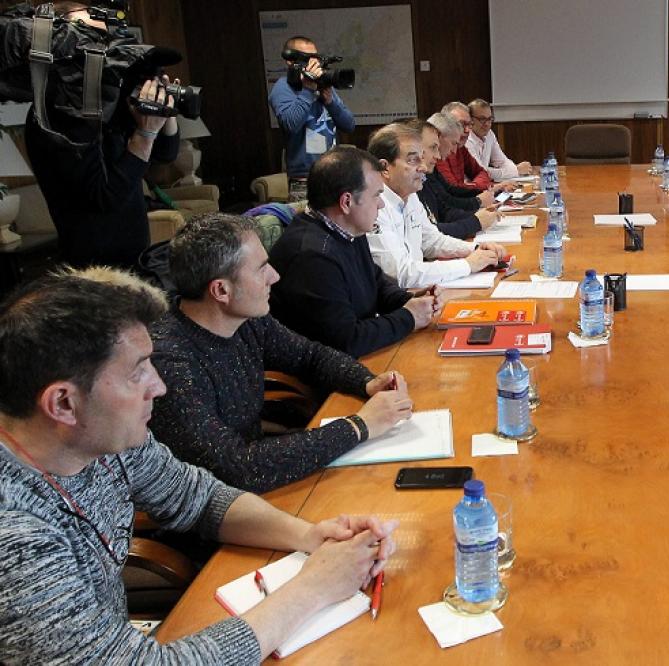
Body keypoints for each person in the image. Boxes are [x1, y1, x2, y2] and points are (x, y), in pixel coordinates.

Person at [0, 267, 396, 663]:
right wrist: (314, 588)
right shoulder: (16, 538)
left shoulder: (101, 438)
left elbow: (198, 496)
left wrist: (311, 536)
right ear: (63, 403)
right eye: (138, 372)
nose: (159, 386)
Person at [149, 214, 415, 493]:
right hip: (225, 499)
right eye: (261, 269)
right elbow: (236, 468)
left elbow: (309, 356)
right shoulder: (170, 363)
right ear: (221, 290)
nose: (274, 276)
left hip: (254, 481)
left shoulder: (245, 319)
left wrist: (366, 381)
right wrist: (359, 426)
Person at [22, 3, 180, 269]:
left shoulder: (101, 104)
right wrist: (145, 132)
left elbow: (165, 154)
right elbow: (105, 196)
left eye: (103, 40)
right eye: (88, 42)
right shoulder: (56, 111)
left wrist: (164, 108)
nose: (101, 52)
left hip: (134, 260)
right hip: (93, 272)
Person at [269, 145, 439, 357]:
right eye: (376, 195)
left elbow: (376, 284)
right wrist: (409, 317)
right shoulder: (312, 257)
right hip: (324, 369)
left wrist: (409, 300)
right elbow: (347, 340)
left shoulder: (348, 229)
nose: (381, 205)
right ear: (347, 202)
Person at [367, 121, 505, 287]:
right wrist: (467, 265)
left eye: (421, 159)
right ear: (385, 168)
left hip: (417, 293)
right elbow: (401, 274)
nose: (423, 167)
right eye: (413, 160)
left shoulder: (410, 196)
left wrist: (475, 249)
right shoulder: (373, 207)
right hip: (401, 296)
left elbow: (432, 240)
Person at [268, 35, 355, 201]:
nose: (313, 63)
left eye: (315, 57)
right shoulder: (283, 87)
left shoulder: (323, 85)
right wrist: (308, 89)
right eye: (307, 58)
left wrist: (330, 102)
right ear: (290, 61)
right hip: (305, 181)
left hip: (334, 175)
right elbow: (290, 124)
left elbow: (349, 125)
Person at [419, 115, 496, 239]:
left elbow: (444, 210)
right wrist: (475, 218)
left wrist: (479, 216)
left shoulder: (425, 175)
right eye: (433, 147)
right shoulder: (427, 170)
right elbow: (428, 235)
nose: (437, 156)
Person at [437, 101, 497, 193]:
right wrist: (478, 187)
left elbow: (482, 172)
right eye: (461, 124)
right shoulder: (439, 152)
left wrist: (474, 186)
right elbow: (454, 190)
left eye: (469, 124)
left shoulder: (461, 148)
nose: (467, 130)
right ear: (445, 125)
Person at [465, 98, 533, 180]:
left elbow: (502, 161)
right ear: (470, 120)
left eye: (489, 119)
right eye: (482, 119)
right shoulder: (466, 140)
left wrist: (516, 169)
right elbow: (480, 171)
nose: (487, 124)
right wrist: (516, 170)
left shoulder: (489, 134)